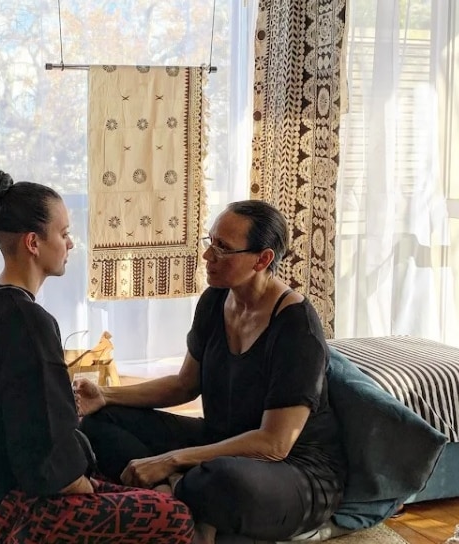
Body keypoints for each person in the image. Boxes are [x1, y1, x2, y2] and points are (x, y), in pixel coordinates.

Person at [0, 169, 196, 544]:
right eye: (64, 234)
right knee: (173, 516)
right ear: (33, 242)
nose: (70, 244)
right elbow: (47, 455)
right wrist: (81, 483)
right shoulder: (28, 321)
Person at [76, 200, 347, 543]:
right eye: (210, 241)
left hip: (295, 470)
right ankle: (181, 502)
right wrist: (106, 395)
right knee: (103, 422)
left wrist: (173, 460)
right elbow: (183, 386)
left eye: (223, 248)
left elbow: (275, 443)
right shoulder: (215, 300)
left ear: (262, 260)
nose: (208, 256)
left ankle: (176, 497)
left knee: (221, 479)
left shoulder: (296, 327)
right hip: (219, 443)